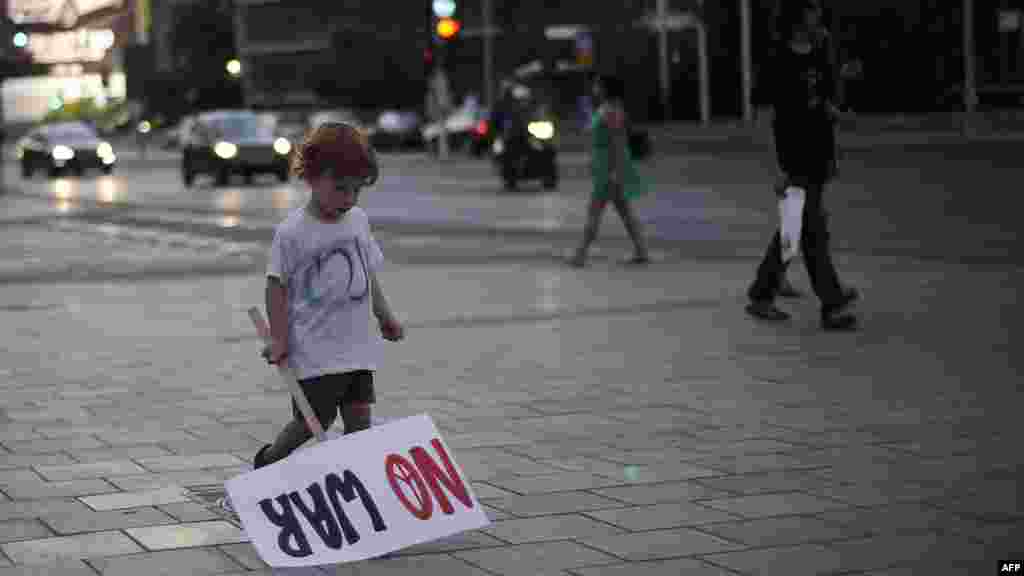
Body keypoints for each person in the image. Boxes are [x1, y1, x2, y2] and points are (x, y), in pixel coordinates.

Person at [254, 122, 405, 468]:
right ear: (311, 176)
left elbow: (368, 274)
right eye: (340, 189)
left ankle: (355, 478)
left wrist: (384, 316)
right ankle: (270, 460)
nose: (349, 200)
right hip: (314, 348)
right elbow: (275, 285)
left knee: (360, 419)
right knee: (313, 421)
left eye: (357, 191)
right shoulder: (293, 232)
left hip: (357, 345)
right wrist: (279, 339)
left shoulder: (358, 221)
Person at [745, 0, 858, 331]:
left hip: (817, 154)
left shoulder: (820, 53)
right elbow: (764, 117)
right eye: (810, 9)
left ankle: (762, 293)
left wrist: (833, 148)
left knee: (795, 228)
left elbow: (823, 102)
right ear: (796, 18)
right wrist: (774, 167)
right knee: (811, 231)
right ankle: (832, 303)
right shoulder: (776, 59)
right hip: (791, 158)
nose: (818, 15)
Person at [569, 73, 650, 267]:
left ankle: (580, 254)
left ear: (606, 89)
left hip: (608, 171)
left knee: (595, 211)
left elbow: (616, 141)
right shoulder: (607, 109)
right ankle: (641, 250)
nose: (594, 88)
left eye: (598, 85)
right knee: (625, 212)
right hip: (605, 167)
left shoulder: (612, 111)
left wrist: (614, 171)